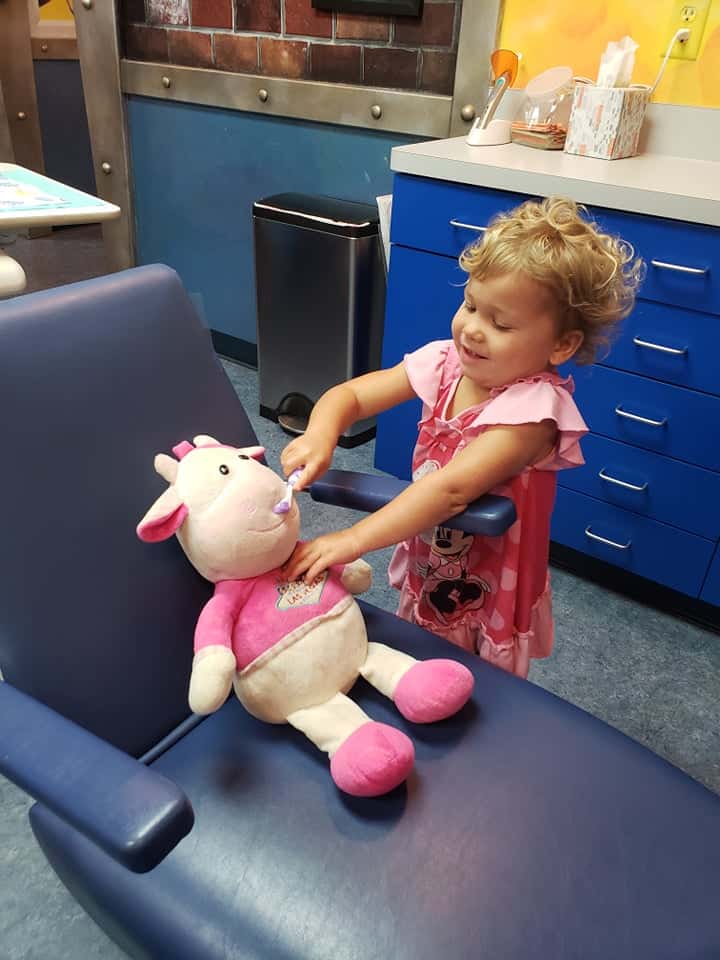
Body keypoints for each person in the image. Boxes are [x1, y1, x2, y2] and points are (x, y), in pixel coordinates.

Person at [281, 196, 642, 678]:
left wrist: (352, 539)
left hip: (490, 581)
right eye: (470, 304)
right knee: (421, 652)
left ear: (561, 345)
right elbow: (353, 395)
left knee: (479, 685)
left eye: (500, 323)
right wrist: (322, 433)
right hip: (433, 553)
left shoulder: (534, 414)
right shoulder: (444, 362)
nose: (471, 329)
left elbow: (450, 491)